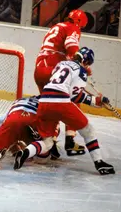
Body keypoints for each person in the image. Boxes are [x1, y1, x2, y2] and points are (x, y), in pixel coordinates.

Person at [15, 47, 115, 175]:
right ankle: (99, 162)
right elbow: (75, 96)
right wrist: (96, 101)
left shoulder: (60, 64)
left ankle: (26, 152)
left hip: (44, 102)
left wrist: (95, 99)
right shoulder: (81, 71)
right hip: (61, 102)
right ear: (86, 62)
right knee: (88, 130)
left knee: (48, 142)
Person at [34, 9, 88, 156]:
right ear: (80, 23)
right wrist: (80, 61)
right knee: (73, 100)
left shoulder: (57, 26)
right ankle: (70, 140)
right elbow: (71, 45)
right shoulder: (73, 28)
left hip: (39, 68)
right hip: (53, 66)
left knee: (50, 106)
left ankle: (50, 141)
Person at [0, 96, 60, 174]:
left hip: (14, 117)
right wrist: (52, 151)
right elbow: (51, 139)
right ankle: (27, 152)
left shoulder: (20, 100)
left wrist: (11, 144)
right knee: (43, 158)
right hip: (33, 122)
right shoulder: (51, 106)